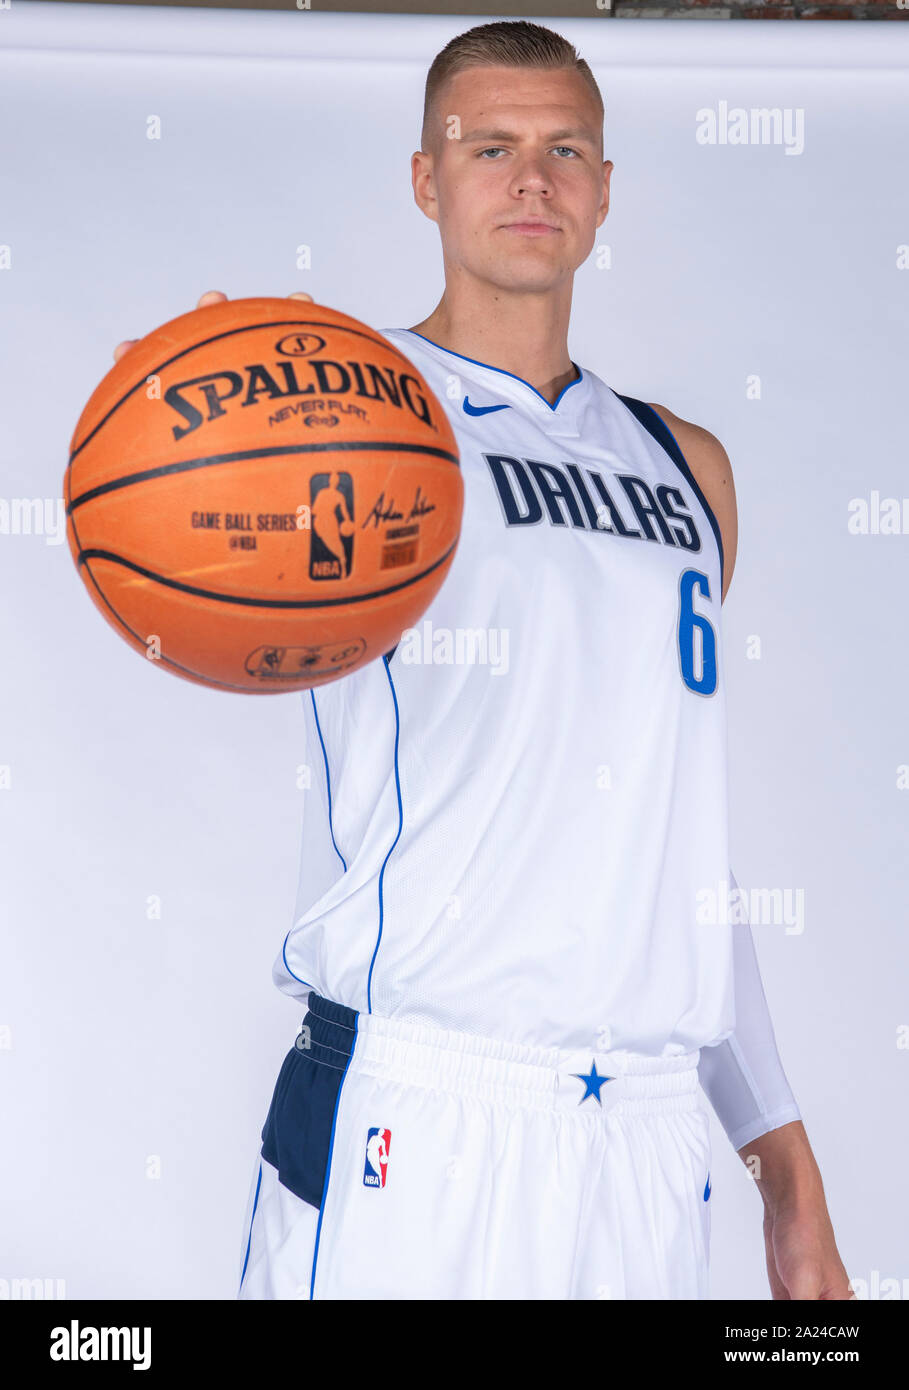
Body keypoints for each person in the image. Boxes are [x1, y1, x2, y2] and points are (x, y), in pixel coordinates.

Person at [116, 20, 851, 1301]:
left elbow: (680, 843)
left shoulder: (688, 469)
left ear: (607, 189)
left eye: (566, 149)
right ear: (425, 178)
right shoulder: (343, 419)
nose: (531, 179)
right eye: (491, 146)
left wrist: (783, 1168)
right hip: (419, 1098)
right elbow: (201, 563)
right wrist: (218, 446)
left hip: (643, 1127)